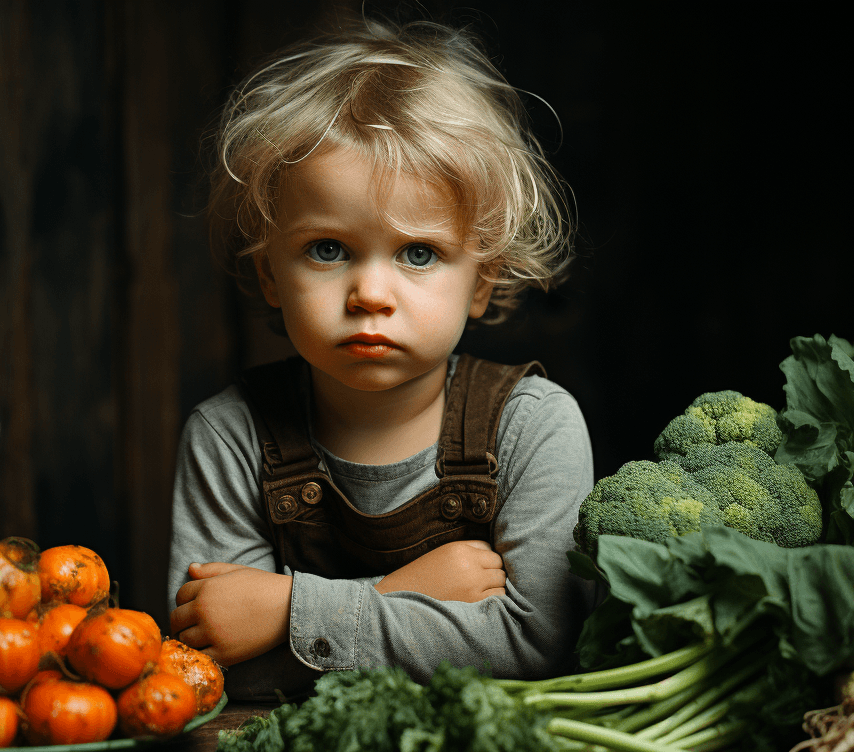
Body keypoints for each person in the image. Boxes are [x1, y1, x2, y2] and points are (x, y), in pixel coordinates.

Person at [166, 17, 595, 699]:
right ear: (271, 272)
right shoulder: (229, 438)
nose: (369, 293)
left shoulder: (533, 428)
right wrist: (412, 591)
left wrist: (287, 611)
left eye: (418, 253)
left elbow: (538, 644)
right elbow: (212, 671)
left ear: (481, 281)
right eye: (327, 249)